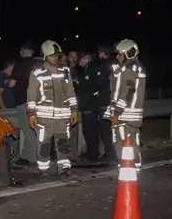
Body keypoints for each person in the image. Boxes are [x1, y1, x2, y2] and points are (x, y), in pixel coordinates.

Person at [26, 39, 78, 177]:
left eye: (57, 56)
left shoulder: (65, 71)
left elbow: (70, 92)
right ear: (45, 56)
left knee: (63, 144)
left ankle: (65, 169)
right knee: (43, 145)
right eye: (52, 56)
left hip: (62, 117)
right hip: (44, 118)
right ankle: (44, 171)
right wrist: (31, 114)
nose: (55, 58)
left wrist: (74, 110)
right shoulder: (37, 73)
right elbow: (31, 95)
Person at [106, 39, 146, 171]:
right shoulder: (133, 67)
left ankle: (127, 168)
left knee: (123, 141)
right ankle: (134, 167)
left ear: (128, 54)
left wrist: (117, 112)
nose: (117, 57)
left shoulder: (129, 69)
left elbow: (127, 91)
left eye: (120, 54)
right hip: (129, 114)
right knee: (132, 141)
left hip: (125, 114)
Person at [79, 46, 112, 162]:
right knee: (89, 130)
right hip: (89, 104)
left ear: (87, 59)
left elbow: (92, 87)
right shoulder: (87, 69)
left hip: (91, 104)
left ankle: (94, 154)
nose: (80, 61)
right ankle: (93, 152)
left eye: (82, 59)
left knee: (90, 130)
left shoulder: (93, 69)